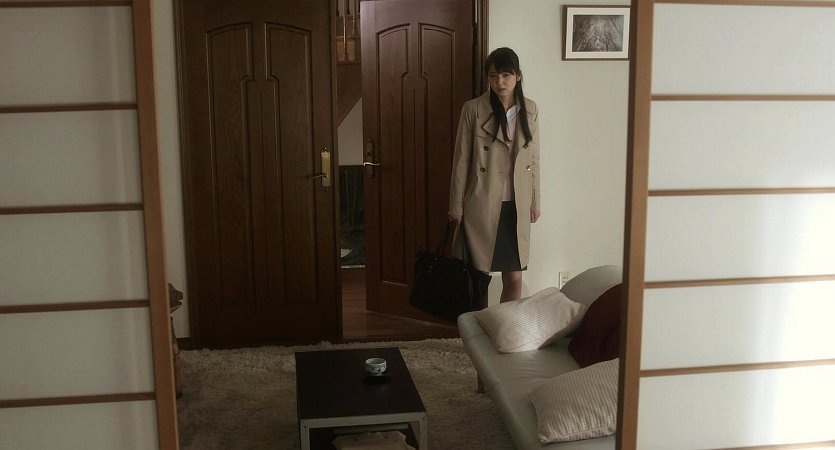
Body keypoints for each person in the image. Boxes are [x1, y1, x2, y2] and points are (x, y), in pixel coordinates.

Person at [448, 47, 540, 303]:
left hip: (516, 204)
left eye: (506, 75)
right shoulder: (473, 109)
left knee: (515, 277)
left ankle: (504, 326)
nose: (499, 82)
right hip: (482, 201)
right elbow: (461, 160)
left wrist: (535, 201)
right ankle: (476, 326)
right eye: (493, 76)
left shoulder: (530, 110)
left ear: (518, 76)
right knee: (478, 276)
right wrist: (456, 205)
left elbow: (534, 159)